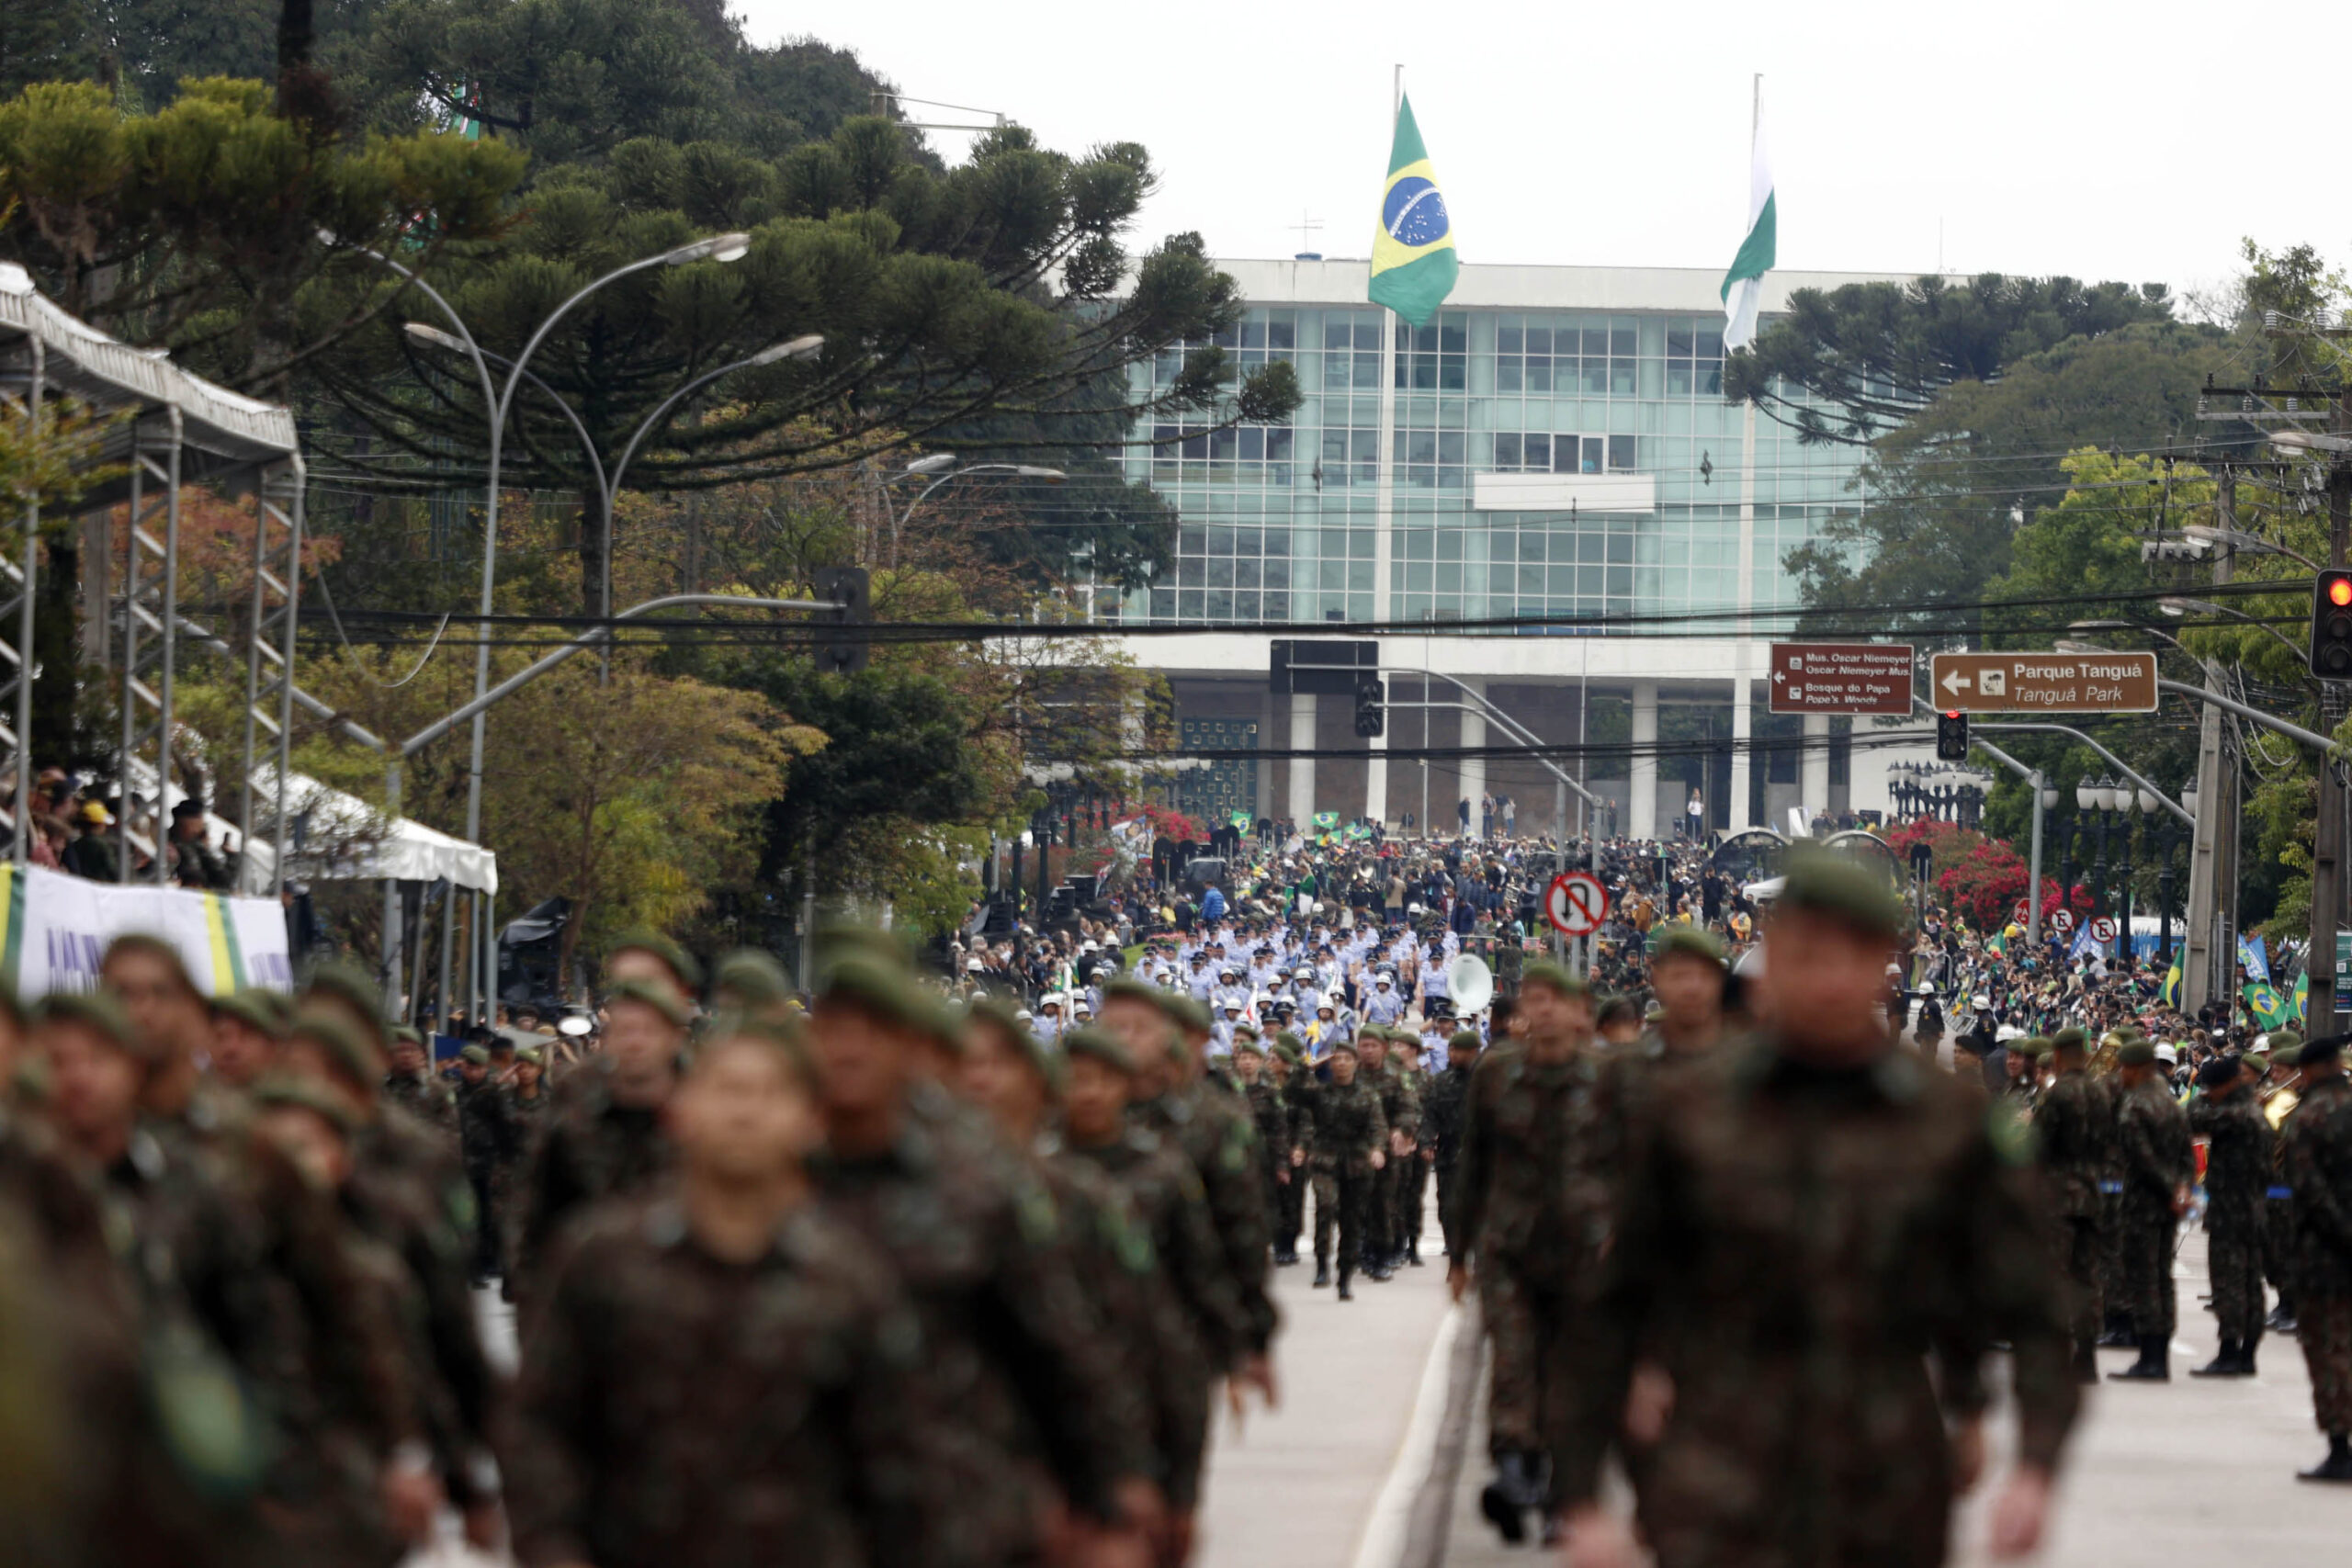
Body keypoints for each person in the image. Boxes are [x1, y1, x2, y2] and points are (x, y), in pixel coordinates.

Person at [1552, 852, 2078, 1568]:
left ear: (1883, 965)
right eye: (1807, 954)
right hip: (1720, 1480)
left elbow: (2031, 1300)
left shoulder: (1944, 1119)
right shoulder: (1694, 1111)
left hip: (1886, 1486)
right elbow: (1611, 1303)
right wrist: (1581, 1496)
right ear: (1774, 959)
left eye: (1851, 955)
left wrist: (2032, 1463)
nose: (1829, 979)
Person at [503, 1014, 922, 1567]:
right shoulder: (602, 1260)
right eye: (727, 1090)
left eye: (769, 1094)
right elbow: (538, 1428)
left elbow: (899, 1465)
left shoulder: (850, 1279)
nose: (745, 1112)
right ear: (680, 1112)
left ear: (811, 1121)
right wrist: (554, 1551)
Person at [807, 951, 1161, 1568]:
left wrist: (1107, 1492)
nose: (850, 1052)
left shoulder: (982, 1195)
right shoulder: (784, 1181)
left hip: (964, 1503)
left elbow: (1065, 1350)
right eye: (834, 1031)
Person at [1054, 1024, 1248, 1565]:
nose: (1088, 1093)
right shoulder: (1028, 1175)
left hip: (1139, 1381)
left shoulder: (1161, 1170)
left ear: (1125, 1086)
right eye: (1075, 1079)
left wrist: (1233, 1351)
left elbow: (1195, 1282)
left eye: (1101, 1080)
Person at [1447, 961, 1617, 1545]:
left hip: (1583, 1252)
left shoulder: (1608, 1078)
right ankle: (1516, 1468)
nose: (1543, 1010)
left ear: (1579, 1012)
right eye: (1533, 1000)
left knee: (1568, 1372)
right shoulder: (1497, 1074)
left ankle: (1562, 1493)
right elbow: (1474, 1162)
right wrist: (1457, 1252)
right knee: (1514, 1360)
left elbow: (1634, 1167)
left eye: (1555, 1000)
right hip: (1509, 1249)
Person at [2282, 1033, 2352, 1483]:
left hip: (2325, 1254)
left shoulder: (2308, 1117)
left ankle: (2340, 1448)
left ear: (2308, 1070)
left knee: (2329, 1348)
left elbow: (2308, 1188)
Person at [2109, 1036, 2193, 1382]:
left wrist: (2170, 1188)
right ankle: (2160, 1354)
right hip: (2168, 1205)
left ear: (2136, 1068)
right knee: (2162, 1276)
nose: (2120, 1074)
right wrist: (2182, 1188)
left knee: (2142, 1279)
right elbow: (2186, 1152)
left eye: (2123, 1068)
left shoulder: (2135, 1106)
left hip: (2142, 1203)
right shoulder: (2169, 1102)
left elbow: (2142, 1159)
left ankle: (2150, 1359)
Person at [2032, 1027, 2112, 1381]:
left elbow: (2039, 1145)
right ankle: (2087, 1354)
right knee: (2087, 1276)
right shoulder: (2100, 1092)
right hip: (2092, 1194)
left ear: (2058, 1055)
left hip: (2059, 1196)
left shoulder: (2057, 1094)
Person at [2188, 1051, 2270, 1377]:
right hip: (2251, 1210)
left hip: (2231, 1213)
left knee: (2228, 1283)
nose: (2210, 1094)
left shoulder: (2236, 1114)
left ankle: (2229, 1353)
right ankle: (2247, 1354)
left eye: (2212, 1088)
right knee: (2250, 1284)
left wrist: (2201, 1096)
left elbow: (2194, 1120)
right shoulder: (2253, 1110)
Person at [1305, 1036, 1385, 1299]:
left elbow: (1377, 1126)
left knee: (1351, 1221)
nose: (1341, 1063)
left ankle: (1344, 1276)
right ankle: (1321, 1264)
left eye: (1346, 1059)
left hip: (1357, 1165)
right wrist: (1311, 1067)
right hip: (1325, 1161)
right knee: (1326, 1207)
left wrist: (1377, 1149)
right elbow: (1293, 1091)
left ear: (1355, 1063)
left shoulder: (1367, 1095)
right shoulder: (1319, 1093)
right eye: (1337, 1059)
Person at [1421, 1028, 1480, 1258]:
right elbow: (1429, 1114)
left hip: (1479, 1154)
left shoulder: (1485, 1080)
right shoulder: (1441, 1081)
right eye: (1451, 1050)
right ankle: (1452, 1243)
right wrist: (1426, 1142)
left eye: (1459, 1050)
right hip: (1448, 1152)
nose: (1453, 1054)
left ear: (1473, 1052)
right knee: (1447, 1203)